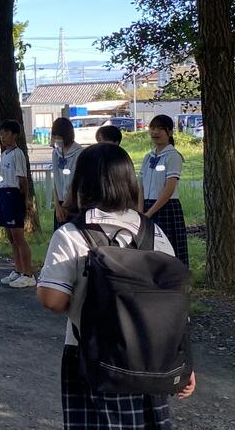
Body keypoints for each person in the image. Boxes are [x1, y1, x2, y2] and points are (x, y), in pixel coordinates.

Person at [37, 143, 196, 429]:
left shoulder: (72, 235)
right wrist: (184, 363)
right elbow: (174, 305)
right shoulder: (153, 232)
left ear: (81, 183)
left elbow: (53, 300)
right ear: (129, 183)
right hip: (152, 358)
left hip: (92, 359)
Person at [139, 114, 189, 266]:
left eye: (160, 129)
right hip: (146, 207)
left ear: (170, 132)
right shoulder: (147, 157)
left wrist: (150, 212)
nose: (155, 132)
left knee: (169, 249)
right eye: (152, 128)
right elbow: (141, 186)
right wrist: (140, 211)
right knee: (148, 249)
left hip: (166, 207)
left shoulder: (173, 156)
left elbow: (169, 188)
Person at [0, 119, 35, 289]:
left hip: (14, 195)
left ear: (15, 135)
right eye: (1, 133)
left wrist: (26, 199)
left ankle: (28, 274)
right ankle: (18, 269)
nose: (3, 136)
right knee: (11, 237)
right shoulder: (4, 154)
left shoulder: (18, 154)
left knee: (19, 237)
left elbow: (22, 179)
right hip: (4, 194)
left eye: (6, 133)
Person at [51, 118, 83, 230]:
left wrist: (65, 206)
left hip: (74, 204)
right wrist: (58, 206)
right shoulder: (56, 152)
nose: (58, 140)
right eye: (56, 136)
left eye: (60, 137)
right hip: (60, 203)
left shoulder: (79, 152)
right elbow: (55, 180)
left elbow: (75, 182)